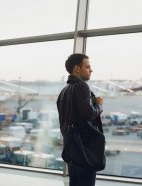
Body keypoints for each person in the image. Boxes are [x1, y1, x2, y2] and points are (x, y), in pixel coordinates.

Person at [56, 53, 104, 186]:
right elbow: (88, 114)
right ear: (77, 68)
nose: (91, 70)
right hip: (84, 149)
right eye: (88, 67)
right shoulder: (82, 86)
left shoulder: (64, 91)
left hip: (71, 148)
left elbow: (71, 116)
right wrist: (98, 104)